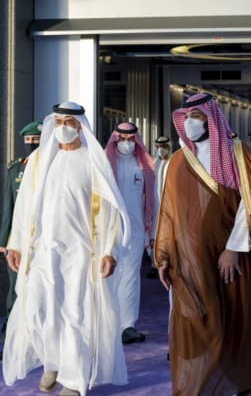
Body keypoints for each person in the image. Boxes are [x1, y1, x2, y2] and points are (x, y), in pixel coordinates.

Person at [154, 93, 251, 395]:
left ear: (211, 118)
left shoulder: (238, 153)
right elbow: (169, 212)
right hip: (191, 259)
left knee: (237, 318)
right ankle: (202, 385)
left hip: (233, 257)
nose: (189, 123)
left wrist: (233, 248)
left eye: (197, 117)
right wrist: (163, 256)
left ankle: (239, 384)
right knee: (198, 321)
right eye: (185, 117)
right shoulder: (177, 161)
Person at [2, 101, 131, 396]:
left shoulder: (92, 162)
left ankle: (73, 378)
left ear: (80, 127)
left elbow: (108, 214)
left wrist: (108, 250)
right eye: (58, 122)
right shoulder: (39, 161)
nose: (63, 128)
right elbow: (24, 208)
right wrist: (16, 244)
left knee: (75, 314)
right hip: (42, 252)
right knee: (38, 310)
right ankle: (53, 363)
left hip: (80, 254)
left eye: (69, 123)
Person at [0, 120, 41, 361]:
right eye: (29, 141)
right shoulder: (15, 170)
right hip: (18, 245)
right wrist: (3, 241)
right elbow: (8, 210)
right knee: (14, 294)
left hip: (43, 243)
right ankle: (9, 343)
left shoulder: (52, 167)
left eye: (37, 141)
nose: (32, 144)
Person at [105, 122, 155, 344]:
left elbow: (151, 200)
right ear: (115, 139)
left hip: (135, 229)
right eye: (122, 138)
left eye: (130, 139)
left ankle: (128, 326)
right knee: (110, 275)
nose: (126, 143)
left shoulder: (142, 166)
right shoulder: (106, 164)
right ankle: (109, 325)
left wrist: (150, 231)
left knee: (131, 275)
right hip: (110, 229)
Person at [146, 135, 173, 278]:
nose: (161, 150)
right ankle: (153, 264)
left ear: (169, 147)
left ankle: (167, 262)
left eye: (164, 147)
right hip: (154, 205)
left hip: (169, 205)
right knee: (153, 234)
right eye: (159, 147)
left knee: (168, 234)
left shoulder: (174, 163)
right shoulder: (153, 164)